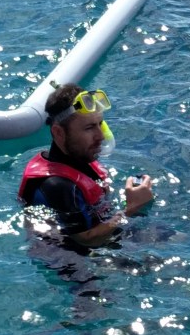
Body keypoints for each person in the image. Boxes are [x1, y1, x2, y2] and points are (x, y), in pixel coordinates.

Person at [18, 83, 153, 250]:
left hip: (104, 234)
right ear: (59, 133)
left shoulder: (80, 157)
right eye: (89, 128)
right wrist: (132, 207)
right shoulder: (57, 185)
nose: (100, 136)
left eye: (100, 124)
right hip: (75, 257)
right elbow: (86, 240)